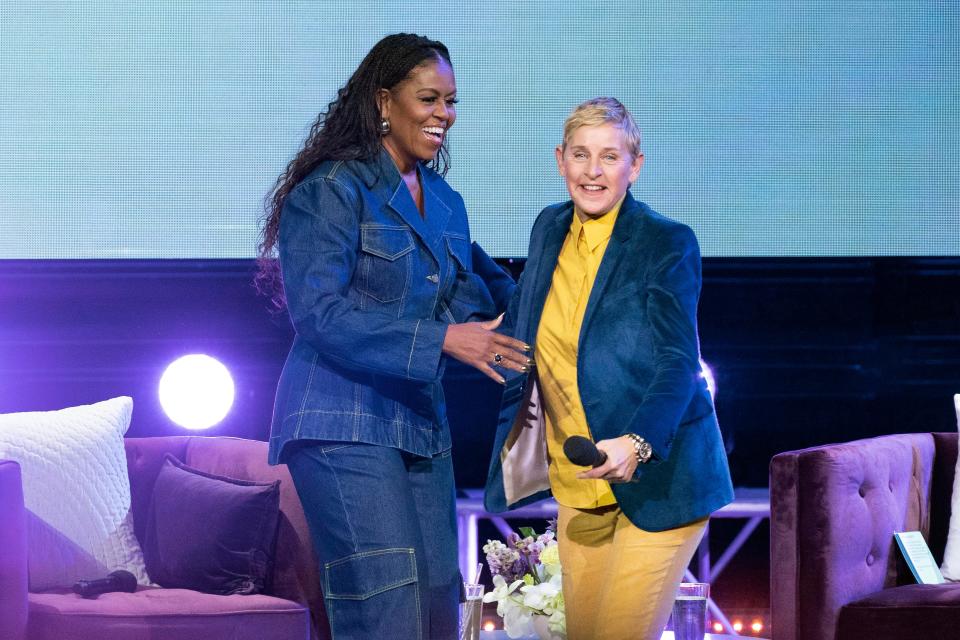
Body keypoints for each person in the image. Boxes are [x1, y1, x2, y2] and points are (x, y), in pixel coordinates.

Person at [256, 33, 527, 640]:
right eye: (429, 99)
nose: (443, 116)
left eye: (451, 102)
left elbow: (491, 298)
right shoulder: (331, 189)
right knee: (387, 604)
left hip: (417, 426)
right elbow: (320, 314)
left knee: (438, 600)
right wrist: (444, 341)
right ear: (384, 101)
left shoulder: (448, 204)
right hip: (338, 421)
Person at [483, 97, 733, 640]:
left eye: (609, 156)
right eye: (580, 154)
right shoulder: (549, 227)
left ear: (634, 165)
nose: (593, 171)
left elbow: (678, 362)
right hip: (579, 485)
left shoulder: (665, 242)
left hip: (660, 481)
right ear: (560, 160)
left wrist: (638, 441)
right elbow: (531, 306)